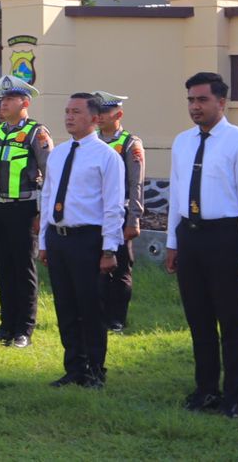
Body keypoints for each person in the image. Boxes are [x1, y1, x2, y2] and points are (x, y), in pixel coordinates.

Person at [164, 71, 238, 419]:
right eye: (191, 100)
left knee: (230, 320)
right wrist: (173, 242)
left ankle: (233, 396)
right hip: (190, 234)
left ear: (221, 102)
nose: (195, 106)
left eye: (202, 99)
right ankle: (206, 389)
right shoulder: (183, 142)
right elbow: (177, 193)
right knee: (198, 318)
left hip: (224, 236)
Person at [39, 93, 125, 388]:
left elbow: (114, 206)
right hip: (59, 237)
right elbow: (47, 197)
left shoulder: (107, 156)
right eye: (67, 111)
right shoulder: (58, 153)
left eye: (76, 112)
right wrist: (44, 241)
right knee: (65, 306)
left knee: (90, 307)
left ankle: (95, 370)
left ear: (95, 118)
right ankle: (74, 367)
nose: (69, 117)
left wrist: (109, 249)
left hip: (88, 239)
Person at [0, 75, 53, 348]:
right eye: (2, 99)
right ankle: (6, 325)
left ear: (25, 103)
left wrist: (42, 213)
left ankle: (24, 329)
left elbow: (50, 175)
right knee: (4, 268)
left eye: (10, 99)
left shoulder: (37, 133)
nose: (3, 103)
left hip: (24, 210)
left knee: (24, 270)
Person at [91, 90, 144, 333]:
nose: (100, 116)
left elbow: (136, 183)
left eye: (105, 112)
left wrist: (134, 218)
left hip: (120, 214)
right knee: (96, 267)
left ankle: (117, 319)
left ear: (118, 114)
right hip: (93, 215)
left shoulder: (129, 143)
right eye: (97, 111)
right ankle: (99, 314)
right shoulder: (91, 140)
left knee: (120, 268)